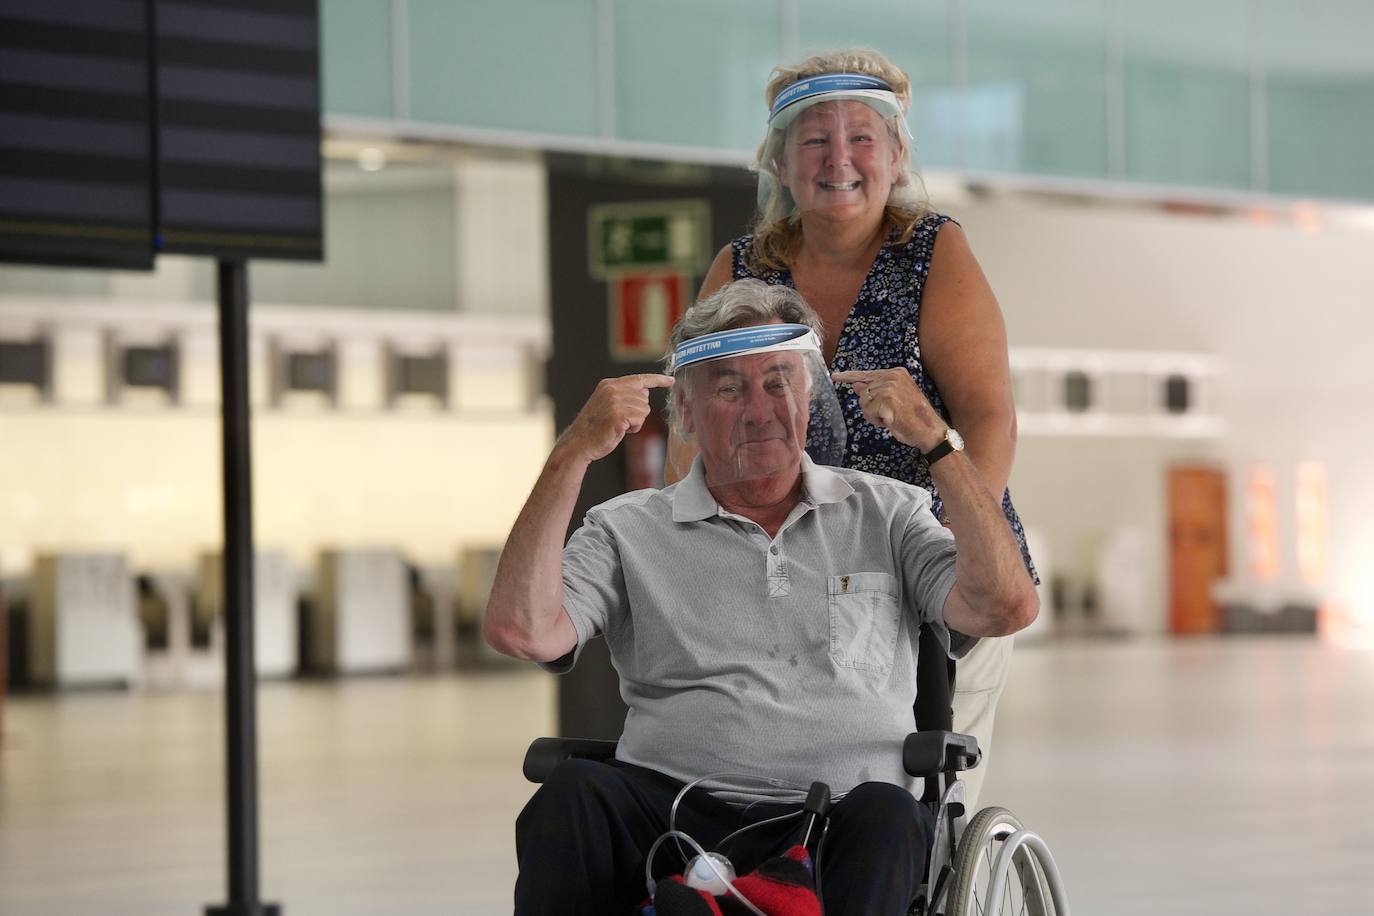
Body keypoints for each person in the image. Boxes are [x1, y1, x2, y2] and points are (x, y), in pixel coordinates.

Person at [485, 280, 1038, 915]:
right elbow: (523, 631)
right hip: (673, 815)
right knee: (570, 795)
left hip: (838, 818)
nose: (759, 410)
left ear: (808, 396)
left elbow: (1006, 606)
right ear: (686, 411)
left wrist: (937, 443)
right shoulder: (626, 528)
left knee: (888, 814)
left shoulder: (887, 512)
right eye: (729, 389)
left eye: (779, 382)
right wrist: (571, 455)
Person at [667, 49, 1039, 811]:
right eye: (814, 140)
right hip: (792, 569)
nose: (839, 159)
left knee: (922, 795)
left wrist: (954, 548)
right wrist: (694, 544)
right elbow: (695, 429)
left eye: (861, 138)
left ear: (896, 157)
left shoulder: (933, 251)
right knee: (774, 777)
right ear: (779, 163)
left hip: (928, 555)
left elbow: (989, 417)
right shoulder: (741, 268)